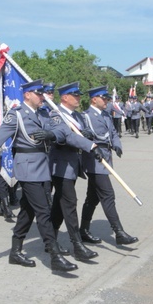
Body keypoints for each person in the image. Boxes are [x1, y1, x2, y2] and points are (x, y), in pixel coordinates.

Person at [0, 79, 77, 272]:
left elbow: (61, 130)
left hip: (43, 167)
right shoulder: (17, 115)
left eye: (43, 93)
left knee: (27, 211)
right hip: (27, 168)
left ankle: (15, 251)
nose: (42, 96)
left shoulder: (44, 113)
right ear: (27, 95)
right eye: (38, 93)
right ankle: (54, 256)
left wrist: (52, 135)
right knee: (43, 211)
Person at [79, 86, 139, 246]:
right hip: (94, 160)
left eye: (107, 98)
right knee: (108, 195)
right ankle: (119, 232)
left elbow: (113, 132)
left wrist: (118, 145)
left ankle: (83, 230)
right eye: (103, 98)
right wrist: (92, 147)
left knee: (92, 198)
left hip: (105, 157)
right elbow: (82, 136)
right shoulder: (85, 117)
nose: (107, 101)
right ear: (94, 99)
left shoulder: (105, 115)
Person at [49, 82, 101, 262]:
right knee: (70, 204)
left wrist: (87, 135)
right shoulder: (56, 115)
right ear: (64, 97)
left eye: (79, 94)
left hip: (73, 165)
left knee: (58, 205)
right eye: (75, 94)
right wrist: (90, 145)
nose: (79, 97)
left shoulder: (76, 115)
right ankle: (77, 245)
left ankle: (51, 241)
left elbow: (80, 133)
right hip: (60, 166)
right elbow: (68, 137)